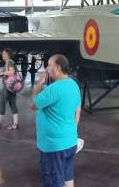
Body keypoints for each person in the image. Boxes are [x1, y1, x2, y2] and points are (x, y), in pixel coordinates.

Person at [32, 54, 81, 187]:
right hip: (70, 142)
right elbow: (77, 112)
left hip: (54, 146)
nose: (47, 69)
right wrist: (69, 130)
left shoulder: (53, 89)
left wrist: (39, 83)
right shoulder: (73, 85)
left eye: (49, 65)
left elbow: (33, 104)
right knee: (68, 177)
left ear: (57, 68)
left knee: (54, 181)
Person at [0, 48, 19, 130]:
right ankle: (15, 124)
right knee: (12, 104)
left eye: (4, 54)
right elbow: (8, 72)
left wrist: (1, 73)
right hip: (13, 87)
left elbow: (12, 72)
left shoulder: (9, 62)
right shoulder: (10, 62)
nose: (2, 55)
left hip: (7, 87)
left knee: (2, 103)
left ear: (8, 54)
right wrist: (0, 74)